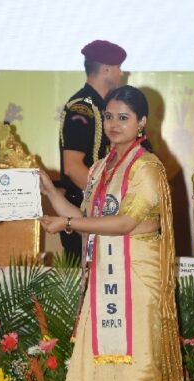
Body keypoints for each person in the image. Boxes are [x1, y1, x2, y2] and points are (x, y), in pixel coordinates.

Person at [41, 85, 187, 381]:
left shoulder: (147, 168)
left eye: (123, 117)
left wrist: (68, 224)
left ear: (142, 122)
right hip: (107, 275)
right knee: (112, 369)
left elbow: (124, 223)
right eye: (109, 117)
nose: (114, 124)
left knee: (137, 366)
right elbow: (84, 214)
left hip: (137, 276)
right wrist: (51, 192)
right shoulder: (104, 166)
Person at [57, 39, 126, 261]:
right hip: (81, 211)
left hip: (98, 211)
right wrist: (109, 203)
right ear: (106, 68)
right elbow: (73, 167)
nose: (121, 74)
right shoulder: (82, 107)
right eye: (118, 67)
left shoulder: (102, 106)